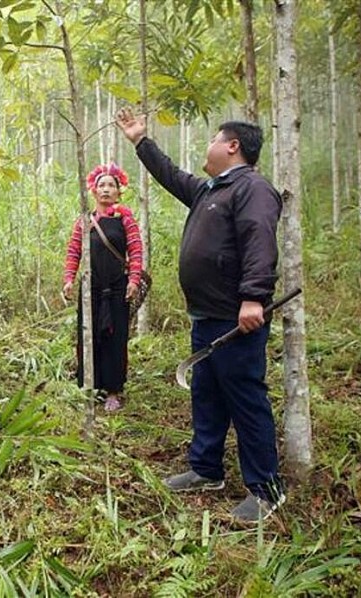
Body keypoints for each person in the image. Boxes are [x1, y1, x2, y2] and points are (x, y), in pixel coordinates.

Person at [116, 107, 285, 524]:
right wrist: (141, 140)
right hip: (207, 315)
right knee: (206, 392)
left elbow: (259, 241)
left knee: (245, 397)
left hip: (235, 316)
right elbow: (171, 175)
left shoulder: (253, 188)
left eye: (213, 138)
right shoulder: (213, 190)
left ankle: (265, 488)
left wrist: (253, 298)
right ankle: (206, 468)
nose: (206, 145)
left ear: (232, 146)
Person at [63, 163, 144, 412]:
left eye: (111, 185)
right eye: (102, 185)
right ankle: (91, 386)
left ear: (119, 192)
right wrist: (68, 279)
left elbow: (136, 250)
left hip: (118, 287)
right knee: (88, 335)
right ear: (94, 191)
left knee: (115, 337)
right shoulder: (84, 221)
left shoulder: (126, 220)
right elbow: (74, 251)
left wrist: (133, 279)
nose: (106, 189)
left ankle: (114, 390)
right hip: (90, 288)